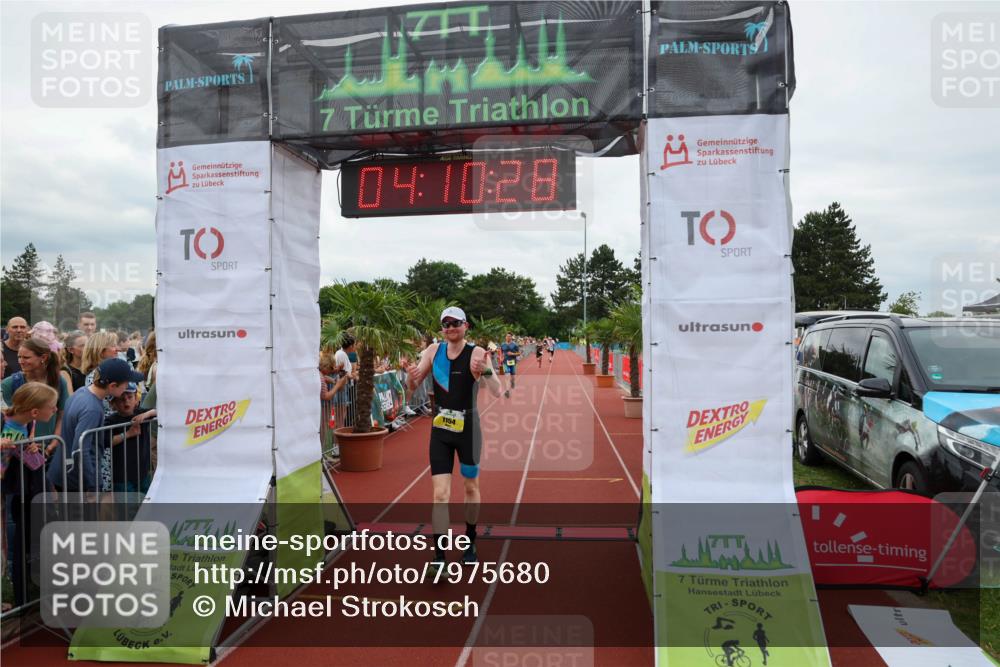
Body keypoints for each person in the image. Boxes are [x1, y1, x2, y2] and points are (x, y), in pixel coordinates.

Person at [405, 307, 502, 574]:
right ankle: (439, 556)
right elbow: (412, 387)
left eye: (455, 323)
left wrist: (484, 372)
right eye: (445, 324)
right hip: (441, 431)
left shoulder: (479, 353)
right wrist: (411, 380)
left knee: (470, 488)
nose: (450, 327)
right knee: (440, 495)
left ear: (465, 326)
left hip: (469, 429)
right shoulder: (433, 352)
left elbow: (497, 391)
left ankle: (470, 541)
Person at [47, 358, 143, 493]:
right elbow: (81, 449)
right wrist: (92, 484)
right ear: (112, 386)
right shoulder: (92, 409)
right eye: (125, 384)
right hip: (77, 480)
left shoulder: (81, 392)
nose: (127, 387)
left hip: (65, 474)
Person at [1, 336, 69, 458]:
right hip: (19, 451)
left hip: (50, 447)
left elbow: (62, 415)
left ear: (43, 358)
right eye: (19, 357)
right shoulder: (10, 383)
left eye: (26, 357)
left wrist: (53, 444)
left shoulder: (58, 381)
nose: (21, 361)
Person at [104, 383, 156, 494]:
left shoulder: (141, 413)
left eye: (129, 397)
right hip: (122, 476)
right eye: (121, 399)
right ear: (113, 403)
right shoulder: (111, 420)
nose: (126, 402)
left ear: (136, 399)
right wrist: (128, 434)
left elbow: (161, 413)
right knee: (127, 508)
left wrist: (147, 414)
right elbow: (106, 441)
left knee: (146, 503)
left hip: (143, 473)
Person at [500, 332, 520, 397]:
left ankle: (513, 381)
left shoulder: (515, 345)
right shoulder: (503, 345)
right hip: (505, 362)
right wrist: (501, 358)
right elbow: (501, 352)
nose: (508, 337)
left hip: (513, 362)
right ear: (505, 337)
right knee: (507, 376)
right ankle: (507, 391)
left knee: (513, 377)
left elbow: (519, 353)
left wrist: (512, 354)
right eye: (507, 336)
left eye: (509, 336)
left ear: (511, 337)